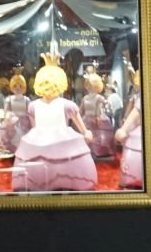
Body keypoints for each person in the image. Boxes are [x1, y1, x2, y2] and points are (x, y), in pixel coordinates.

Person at [13, 50, 97, 192]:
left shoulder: (64, 105)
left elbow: (80, 126)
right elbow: (35, 128)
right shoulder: (35, 106)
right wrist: (85, 133)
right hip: (48, 142)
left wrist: (85, 132)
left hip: (48, 142)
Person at [115, 69, 144, 190]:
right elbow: (132, 111)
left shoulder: (141, 98)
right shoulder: (136, 97)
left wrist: (124, 129)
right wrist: (125, 121)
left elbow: (135, 112)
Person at [80, 70, 115, 158]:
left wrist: (98, 117)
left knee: (98, 135)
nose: (89, 87)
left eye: (91, 85)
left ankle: (99, 151)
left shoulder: (99, 97)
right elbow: (81, 110)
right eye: (88, 85)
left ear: (96, 86)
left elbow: (98, 108)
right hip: (86, 119)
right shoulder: (85, 98)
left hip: (96, 119)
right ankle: (89, 151)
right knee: (89, 135)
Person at [0, 72, 31, 153]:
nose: (18, 88)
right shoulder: (8, 99)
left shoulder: (27, 100)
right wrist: (8, 122)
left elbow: (30, 113)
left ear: (24, 87)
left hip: (25, 125)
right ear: (11, 87)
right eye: (15, 86)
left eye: (20, 86)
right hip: (12, 124)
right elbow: (5, 114)